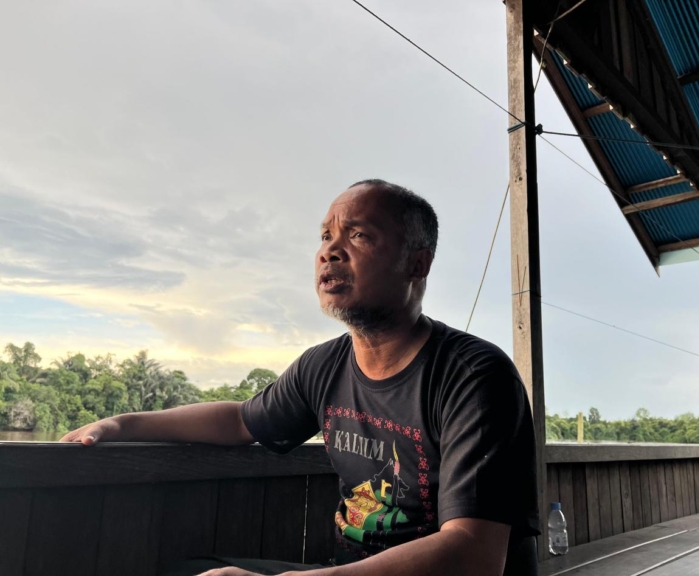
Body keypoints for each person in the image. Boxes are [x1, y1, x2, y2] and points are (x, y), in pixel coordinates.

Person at [61, 179, 540, 576]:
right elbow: (240, 421)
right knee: (190, 571)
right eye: (325, 236)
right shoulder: (324, 366)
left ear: (418, 263)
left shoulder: (474, 377)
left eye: (358, 235)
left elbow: (474, 555)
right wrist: (124, 424)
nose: (329, 251)